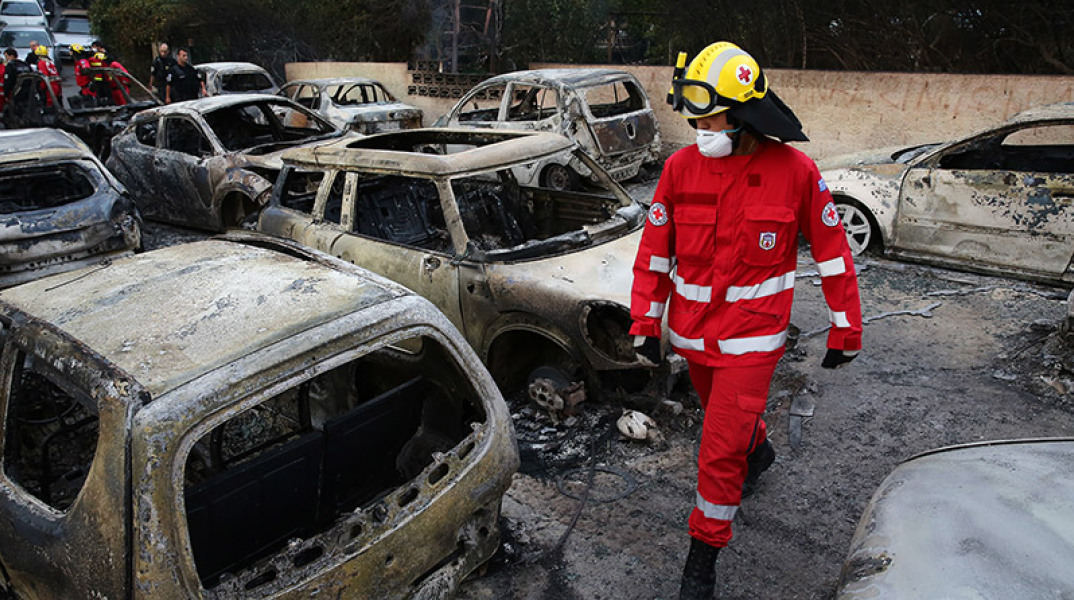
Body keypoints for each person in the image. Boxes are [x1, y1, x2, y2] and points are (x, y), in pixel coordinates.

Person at [628, 42, 863, 599]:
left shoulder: (796, 172)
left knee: (717, 449)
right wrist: (645, 321)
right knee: (725, 423)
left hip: (754, 341)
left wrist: (845, 327)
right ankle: (759, 450)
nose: (698, 127)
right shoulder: (680, 168)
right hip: (694, 335)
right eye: (695, 116)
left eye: (709, 116)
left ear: (743, 113)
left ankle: (701, 560)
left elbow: (833, 252)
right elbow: (655, 253)